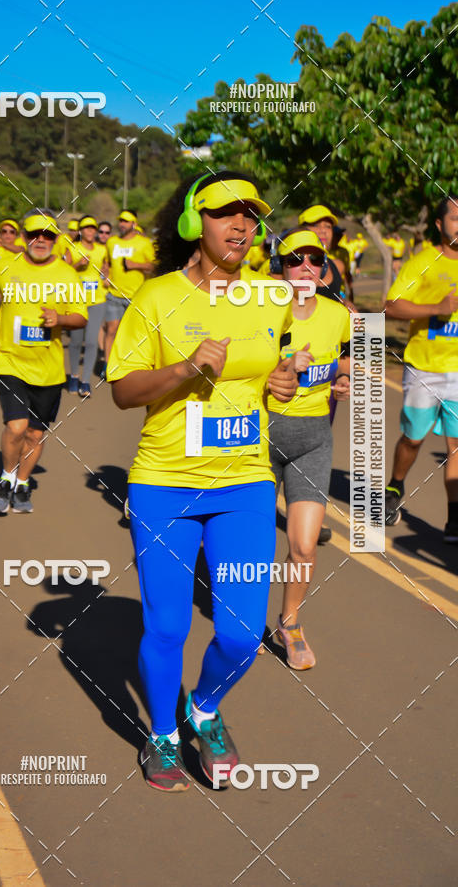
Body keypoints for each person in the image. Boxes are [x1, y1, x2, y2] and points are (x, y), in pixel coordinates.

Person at [108, 171, 299, 791]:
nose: (241, 225)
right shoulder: (156, 297)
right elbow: (122, 391)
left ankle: (205, 708)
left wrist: (281, 383)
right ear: (195, 221)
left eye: (251, 215)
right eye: (225, 213)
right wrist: (186, 368)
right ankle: (163, 733)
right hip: (165, 484)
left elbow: (273, 368)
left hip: (244, 485)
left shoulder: (270, 297)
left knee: (241, 635)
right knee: (168, 626)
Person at [266, 229, 351, 669]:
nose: (306, 268)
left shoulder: (338, 314)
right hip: (260, 435)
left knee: (303, 545)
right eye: (295, 260)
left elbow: (350, 353)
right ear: (280, 267)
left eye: (315, 260)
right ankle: (242, 619)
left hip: (313, 438)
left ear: (324, 269)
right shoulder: (261, 310)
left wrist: (343, 376)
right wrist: (282, 365)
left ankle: (290, 623)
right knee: (253, 543)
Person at [0, 214, 87, 513]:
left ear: (56, 240)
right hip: (9, 360)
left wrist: (60, 318)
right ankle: (6, 478)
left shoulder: (67, 274)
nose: (41, 240)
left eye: (48, 235)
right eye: (34, 234)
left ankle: (22, 483)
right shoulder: (3, 266)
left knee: (35, 434)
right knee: (16, 427)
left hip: (48, 368)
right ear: (24, 237)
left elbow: (81, 317)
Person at [384, 194, 458, 542]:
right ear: (440, 224)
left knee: (455, 445)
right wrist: (435, 309)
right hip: (424, 370)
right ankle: (395, 486)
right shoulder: (423, 262)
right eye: (456, 218)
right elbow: (391, 307)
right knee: (413, 440)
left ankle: (454, 517)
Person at [66, 216, 109, 398]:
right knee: (76, 342)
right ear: (80, 231)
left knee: (91, 342)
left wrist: (106, 276)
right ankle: (74, 376)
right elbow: (62, 271)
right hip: (77, 300)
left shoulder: (102, 249)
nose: (90, 231)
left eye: (93, 228)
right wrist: (78, 265)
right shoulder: (72, 248)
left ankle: (85, 382)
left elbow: (106, 269)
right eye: (86, 228)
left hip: (97, 300)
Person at [104, 209, 155, 362]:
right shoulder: (112, 242)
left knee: (133, 334)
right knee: (111, 330)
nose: (122, 224)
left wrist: (135, 265)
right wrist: (105, 275)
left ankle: (131, 364)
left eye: (126, 221)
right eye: (120, 221)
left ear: (134, 224)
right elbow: (107, 264)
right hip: (114, 295)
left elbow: (154, 266)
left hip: (136, 297)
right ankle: (108, 366)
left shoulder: (144, 243)